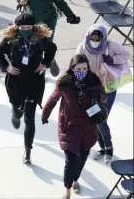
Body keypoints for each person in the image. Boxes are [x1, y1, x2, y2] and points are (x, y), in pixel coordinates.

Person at [0, 13, 57, 164]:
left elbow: (52, 49)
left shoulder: (40, 40)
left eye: (29, 27)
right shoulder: (10, 40)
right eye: (23, 28)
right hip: (16, 82)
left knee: (30, 119)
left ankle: (27, 150)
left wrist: (45, 63)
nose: (26, 30)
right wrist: (6, 67)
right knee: (18, 110)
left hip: (34, 82)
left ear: (33, 27)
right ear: (17, 28)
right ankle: (15, 114)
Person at [42, 54, 106, 199]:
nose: (82, 71)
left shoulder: (94, 81)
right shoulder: (64, 82)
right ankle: (67, 187)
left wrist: (98, 98)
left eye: (85, 68)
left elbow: (104, 96)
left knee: (83, 157)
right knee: (70, 161)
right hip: (69, 126)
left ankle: (76, 179)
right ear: (72, 68)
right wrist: (45, 114)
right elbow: (53, 98)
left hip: (88, 127)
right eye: (79, 68)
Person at [8, 0, 81, 77]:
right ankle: (36, 63)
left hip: (49, 17)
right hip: (32, 18)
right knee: (32, 43)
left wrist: (70, 15)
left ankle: (48, 59)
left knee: (47, 42)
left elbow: (60, 2)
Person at [76, 24, 131, 164]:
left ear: (103, 38)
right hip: (91, 88)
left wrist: (113, 60)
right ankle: (103, 148)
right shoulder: (83, 47)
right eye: (92, 37)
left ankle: (109, 148)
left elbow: (126, 54)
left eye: (97, 38)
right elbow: (76, 64)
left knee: (101, 119)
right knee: (95, 119)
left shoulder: (111, 45)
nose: (94, 40)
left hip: (108, 88)